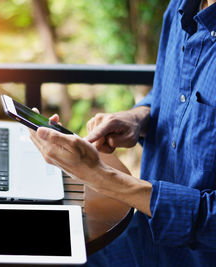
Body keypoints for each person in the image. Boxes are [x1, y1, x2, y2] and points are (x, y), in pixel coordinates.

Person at [29, 0, 216, 266]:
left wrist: (101, 177)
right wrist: (137, 118)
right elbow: (167, 93)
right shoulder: (180, 7)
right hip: (144, 234)